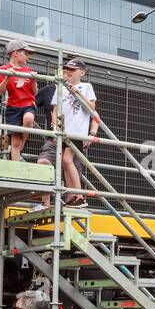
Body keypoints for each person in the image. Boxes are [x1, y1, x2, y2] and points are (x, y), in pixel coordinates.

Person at [51, 59, 100, 207]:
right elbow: (54, 111)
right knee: (66, 163)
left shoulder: (86, 86)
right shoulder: (60, 87)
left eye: (72, 70)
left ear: (82, 72)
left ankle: (79, 195)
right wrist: (55, 128)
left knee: (67, 159)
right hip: (64, 131)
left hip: (77, 131)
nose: (68, 72)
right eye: (66, 70)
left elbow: (92, 107)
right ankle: (72, 196)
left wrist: (79, 93)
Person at [0, 40, 38, 164]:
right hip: (13, 107)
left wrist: (34, 80)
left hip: (28, 104)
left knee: (28, 119)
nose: (27, 57)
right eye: (25, 53)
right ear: (16, 53)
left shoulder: (28, 70)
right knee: (15, 142)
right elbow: (0, 91)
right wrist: (7, 77)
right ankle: (16, 165)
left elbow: (35, 92)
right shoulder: (4, 69)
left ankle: (23, 142)